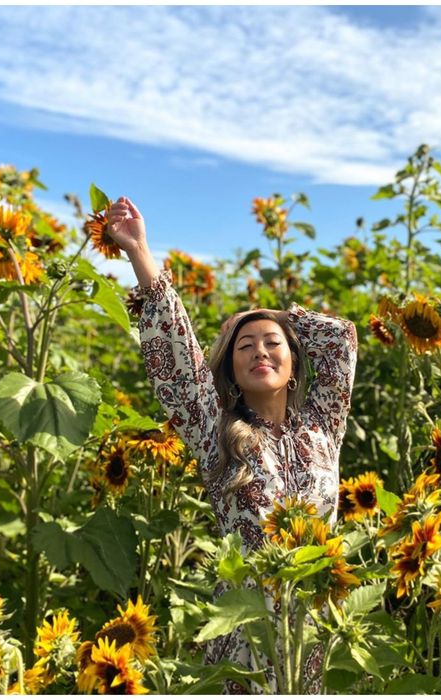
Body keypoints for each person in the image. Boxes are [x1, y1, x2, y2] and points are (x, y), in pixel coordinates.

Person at [106, 196, 358, 692]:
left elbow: (342, 338)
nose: (260, 350)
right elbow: (176, 361)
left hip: (316, 633)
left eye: (272, 343)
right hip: (245, 637)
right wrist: (139, 251)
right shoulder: (215, 431)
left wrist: (265, 312)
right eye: (245, 346)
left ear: (293, 367)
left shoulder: (323, 425)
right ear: (232, 372)